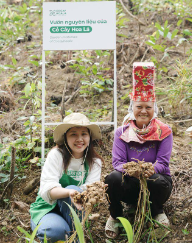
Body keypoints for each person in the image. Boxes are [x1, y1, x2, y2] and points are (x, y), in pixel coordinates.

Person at [105, 62, 173, 239]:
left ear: (154, 109)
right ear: (132, 108)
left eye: (148, 107)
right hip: (130, 181)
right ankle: (115, 215)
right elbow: (117, 164)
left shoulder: (164, 131)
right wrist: (132, 171)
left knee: (158, 182)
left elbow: (163, 163)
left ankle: (157, 211)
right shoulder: (122, 132)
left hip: (154, 181)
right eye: (139, 106)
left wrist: (150, 170)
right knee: (111, 179)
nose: (143, 111)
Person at [29, 113, 103, 242]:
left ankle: (76, 237)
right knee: (54, 231)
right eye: (73, 134)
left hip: (75, 213)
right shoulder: (56, 155)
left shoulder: (95, 162)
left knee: (76, 192)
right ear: (65, 137)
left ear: (90, 137)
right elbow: (47, 188)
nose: (79, 139)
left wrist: (97, 190)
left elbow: (89, 191)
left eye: (84, 134)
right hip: (48, 209)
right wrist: (69, 192)